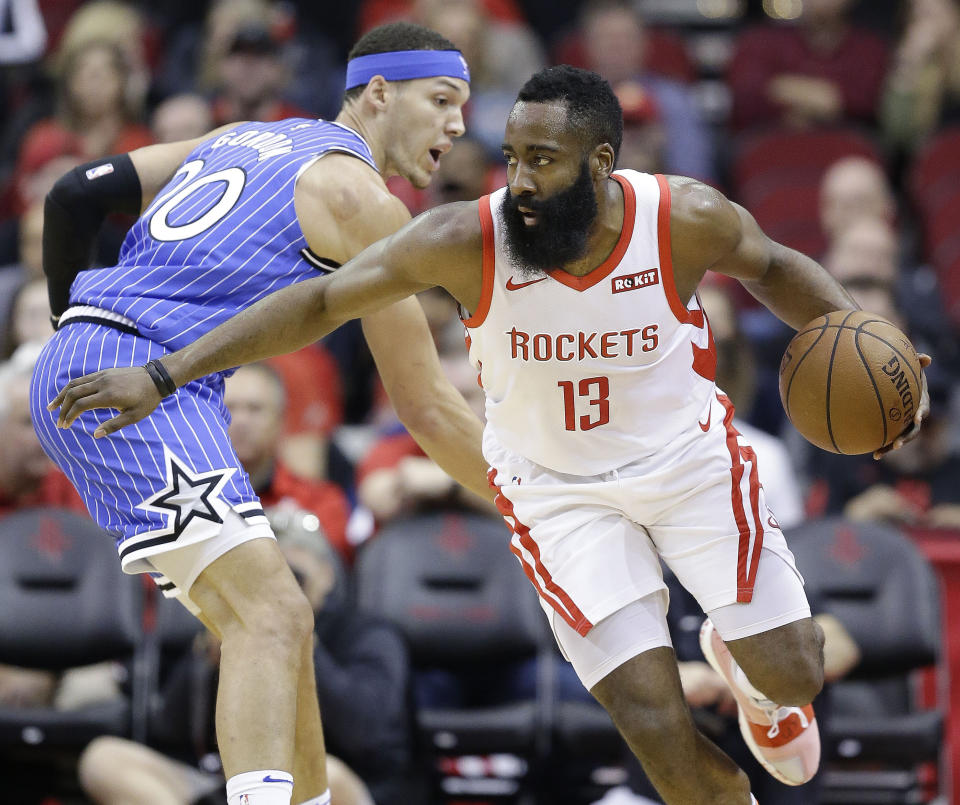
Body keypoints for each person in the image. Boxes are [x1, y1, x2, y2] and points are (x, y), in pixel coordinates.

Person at [47, 65, 933, 804]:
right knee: (664, 743)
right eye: (511, 157)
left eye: (542, 160)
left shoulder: (682, 215)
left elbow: (779, 271)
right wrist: (166, 371)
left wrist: (875, 348)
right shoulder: (463, 238)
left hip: (688, 464)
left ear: (601, 160)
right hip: (560, 493)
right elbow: (316, 300)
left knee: (794, 671)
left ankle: (756, 676)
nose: (520, 179)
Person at [32, 21, 489, 805]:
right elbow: (428, 408)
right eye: (441, 99)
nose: (458, 124)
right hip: (138, 374)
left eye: (463, 106)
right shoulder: (361, 201)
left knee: (282, 629)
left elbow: (75, 194)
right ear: (378, 93)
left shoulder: (247, 134)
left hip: (116, 362)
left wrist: (69, 327)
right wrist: (538, 506)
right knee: (272, 613)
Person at [79, 505, 413, 805]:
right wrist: (203, 658)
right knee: (104, 759)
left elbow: (365, 731)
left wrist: (293, 638)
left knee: (330, 774)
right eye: (260, 576)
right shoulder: (229, 622)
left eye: (291, 575)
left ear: (326, 574)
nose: (273, 586)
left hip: (329, 781)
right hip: (227, 783)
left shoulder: (367, 633)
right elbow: (167, 729)